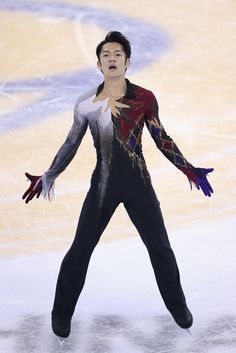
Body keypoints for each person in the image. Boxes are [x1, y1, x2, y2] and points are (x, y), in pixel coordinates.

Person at [22, 31, 214, 338]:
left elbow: (160, 137)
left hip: (139, 184)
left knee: (160, 248)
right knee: (80, 249)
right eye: (106, 55)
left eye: (118, 55)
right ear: (99, 64)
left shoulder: (144, 98)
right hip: (103, 186)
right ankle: (61, 312)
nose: (112, 59)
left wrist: (188, 169)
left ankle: (177, 306)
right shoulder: (86, 103)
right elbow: (71, 142)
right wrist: (50, 174)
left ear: (127, 62)